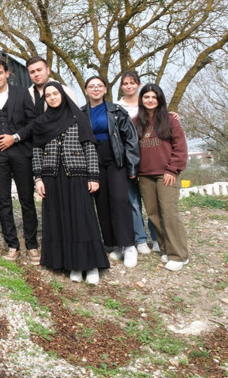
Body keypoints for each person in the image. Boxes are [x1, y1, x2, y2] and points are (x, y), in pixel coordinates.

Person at [33, 82, 109, 285]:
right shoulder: (41, 122)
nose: (52, 97)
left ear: (62, 94)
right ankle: (72, 264)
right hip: (51, 177)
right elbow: (37, 151)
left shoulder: (78, 117)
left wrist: (93, 176)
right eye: (48, 95)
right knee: (60, 220)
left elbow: (89, 147)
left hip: (77, 175)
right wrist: (38, 178)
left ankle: (91, 265)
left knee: (82, 220)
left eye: (55, 93)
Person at [0, 57, 40, 264]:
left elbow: (33, 122)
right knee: (3, 200)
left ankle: (32, 245)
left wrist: (15, 137)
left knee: (26, 199)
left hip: (20, 151)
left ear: (7, 73)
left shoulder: (22, 93)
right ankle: (12, 245)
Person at [81, 76, 141, 267]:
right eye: (92, 86)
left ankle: (129, 245)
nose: (96, 89)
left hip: (115, 158)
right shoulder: (81, 113)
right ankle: (115, 243)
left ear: (105, 89)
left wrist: (132, 165)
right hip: (93, 159)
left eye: (99, 86)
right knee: (102, 202)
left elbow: (130, 138)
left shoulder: (116, 111)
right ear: (86, 90)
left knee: (119, 199)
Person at [135, 84, 189, 271]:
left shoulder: (170, 120)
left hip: (166, 173)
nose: (150, 100)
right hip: (144, 175)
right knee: (153, 214)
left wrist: (172, 169)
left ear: (160, 99)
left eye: (154, 97)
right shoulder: (136, 122)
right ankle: (166, 249)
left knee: (169, 212)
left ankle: (179, 255)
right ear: (141, 100)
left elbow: (180, 147)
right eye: (146, 97)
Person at [116, 70, 155, 254]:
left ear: (138, 84)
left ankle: (156, 236)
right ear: (121, 86)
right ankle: (140, 238)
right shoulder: (117, 107)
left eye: (132, 83)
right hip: (127, 159)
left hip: (149, 158)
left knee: (152, 201)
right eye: (125, 83)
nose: (129, 86)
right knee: (133, 200)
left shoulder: (147, 103)